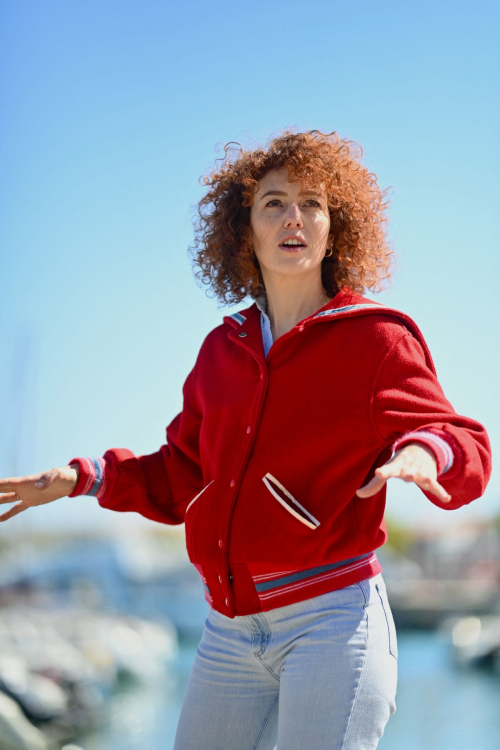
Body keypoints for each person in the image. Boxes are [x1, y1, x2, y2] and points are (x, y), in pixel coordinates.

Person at [0, 130, 492, 749]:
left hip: (333, 625)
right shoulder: (220, 351)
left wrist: (423, 453)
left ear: (334, 228)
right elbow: (182, 473)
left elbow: (460, 438)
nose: (294, 217)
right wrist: (83, 478)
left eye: (313, 203)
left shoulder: (377, 339)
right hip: (226, 634)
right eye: (274, 203)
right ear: (246, 230)